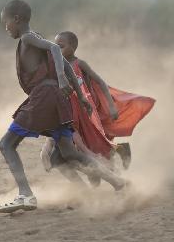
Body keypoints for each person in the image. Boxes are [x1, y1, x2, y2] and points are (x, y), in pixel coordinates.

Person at [0, 0, 127, 213]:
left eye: (6, 23)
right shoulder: (36, 37)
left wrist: (61, 78)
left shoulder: (29, 38)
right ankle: (117, 182)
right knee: (69, 151)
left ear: (17, 20)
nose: (6, 27)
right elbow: (66, 63)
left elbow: (56, 50)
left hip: (44, 97)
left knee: (6, 144)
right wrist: (79, 95)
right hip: (56, 99)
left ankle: (25, 195)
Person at [41, 31, 155, 179]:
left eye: (60, 46)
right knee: (79, 145)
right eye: (55, 46)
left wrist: (111, 106)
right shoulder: (57, 66)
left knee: (88, 143)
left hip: (83, 110)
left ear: (73, 47)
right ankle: (111, 160)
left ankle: (115, 156)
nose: (57, 49)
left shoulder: (79, 64)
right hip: (69, 111)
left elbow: (100, 82)